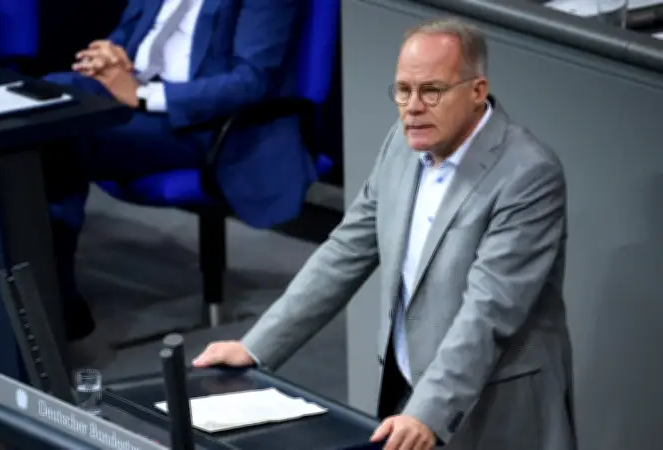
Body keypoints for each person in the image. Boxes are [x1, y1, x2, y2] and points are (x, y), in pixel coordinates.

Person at [193, 18, 578, 450]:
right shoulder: (402, 143)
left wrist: (426, 412)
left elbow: (488, 312)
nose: (413, 107)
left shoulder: (527, 174)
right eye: (403, 90)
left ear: (477, 91)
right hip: (409, 393)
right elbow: (345, 251)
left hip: (495, 408)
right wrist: (256, 348)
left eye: (432, 91)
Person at [41, 0, 316, 341]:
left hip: (195, 122)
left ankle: (55, 298)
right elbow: (130, 30)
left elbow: (249, 82)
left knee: (58, 138)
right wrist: (109, 54)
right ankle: (42, 286)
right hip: (130, 93)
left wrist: (144, 95)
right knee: (44, 100)